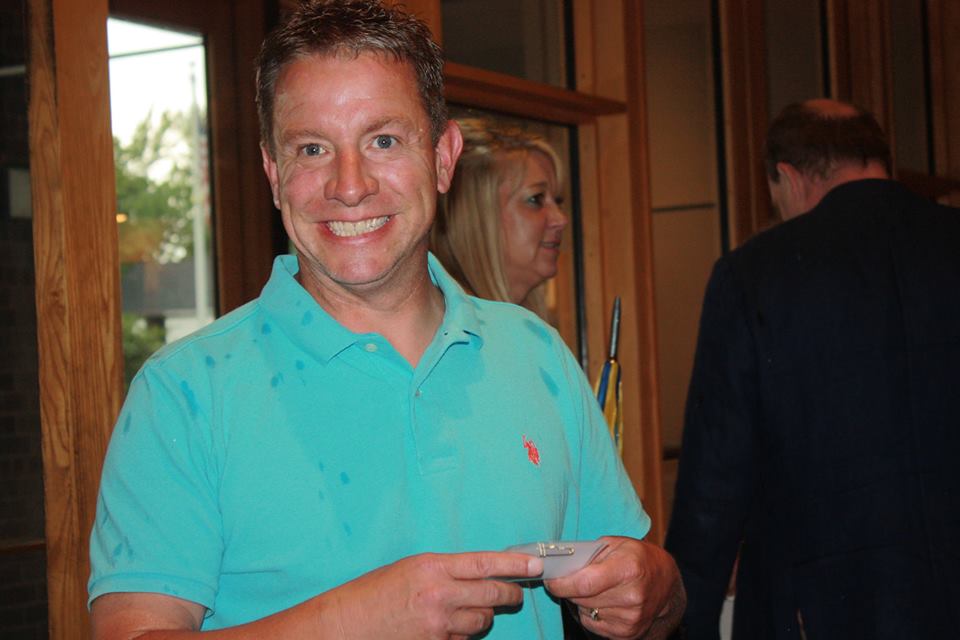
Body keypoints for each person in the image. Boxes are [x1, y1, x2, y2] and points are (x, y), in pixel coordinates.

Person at [88, 1, 685, 638]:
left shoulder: (536, 353)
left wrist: (658, 588)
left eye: (384, 141)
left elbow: (648, 598)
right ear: (274, 173)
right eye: (312, 148)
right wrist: (353, 621)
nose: (349, 186)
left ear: (444, 157)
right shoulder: (183, 393)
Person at [664, 98, 960, 639]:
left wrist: (685, 622)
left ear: (789, 177)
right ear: (878, 159)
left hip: (821, 609)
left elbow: (715, 480)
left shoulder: (755, 274)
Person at [430, 118, 568, 320]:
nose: (560, 219)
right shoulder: (443, 329)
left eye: (557, 201)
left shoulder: (530, 331)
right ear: (475, 217)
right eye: (535, 199)